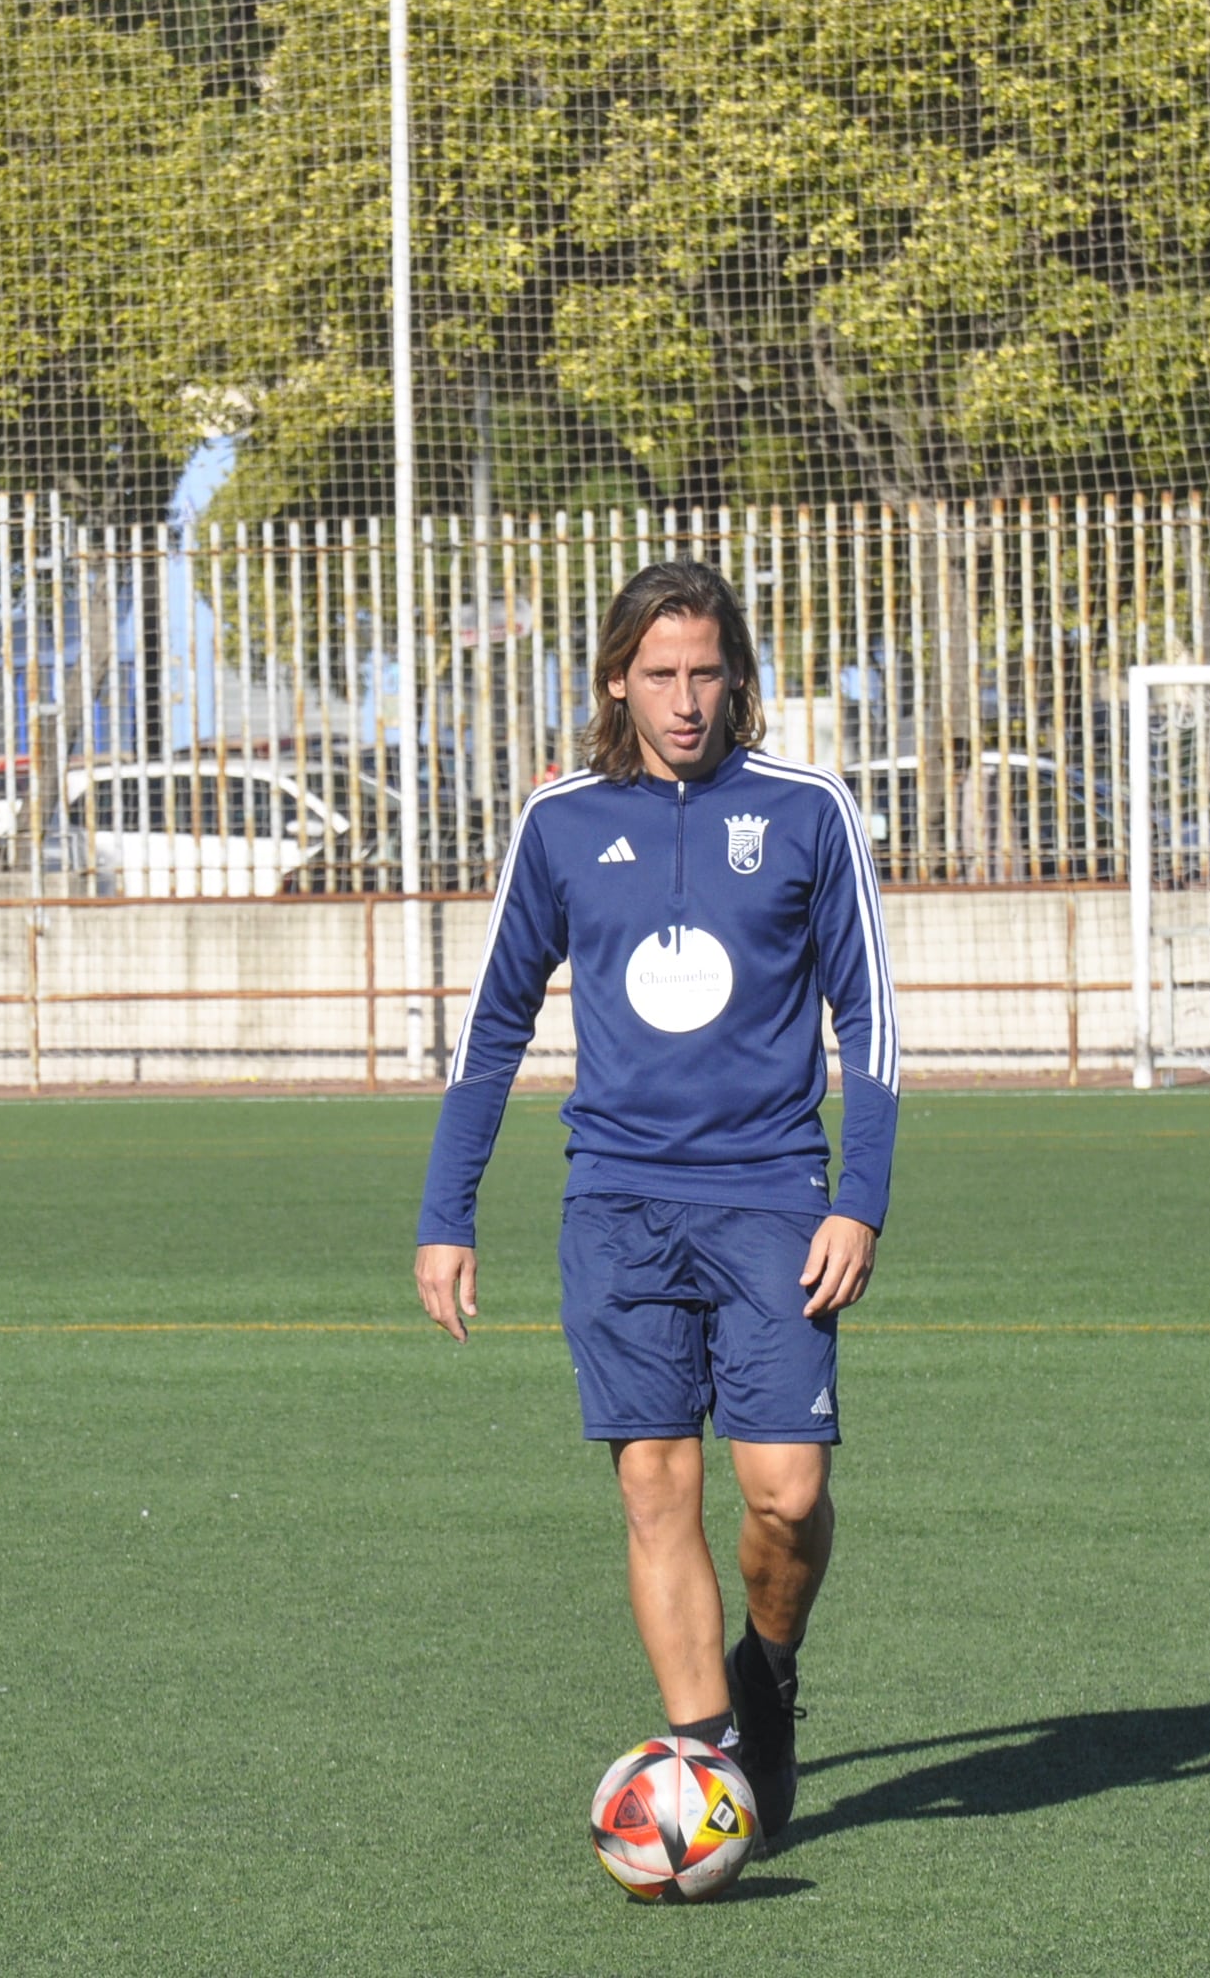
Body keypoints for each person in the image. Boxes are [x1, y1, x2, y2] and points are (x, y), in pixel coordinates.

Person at [411, 559, 899, 1842]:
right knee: (655, 1489)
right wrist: (446, 1212)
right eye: (659, 676)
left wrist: (862, 1197)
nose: (684, 701)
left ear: (737, 677)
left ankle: (770, 1671)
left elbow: (873, 1021)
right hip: (619, 1204)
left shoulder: (807, 811)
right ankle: (710, 1769)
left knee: (786, 1492)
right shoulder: (562, 822)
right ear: (617, 681)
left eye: (705, 674)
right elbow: (493, 1025)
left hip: (774, 1199)